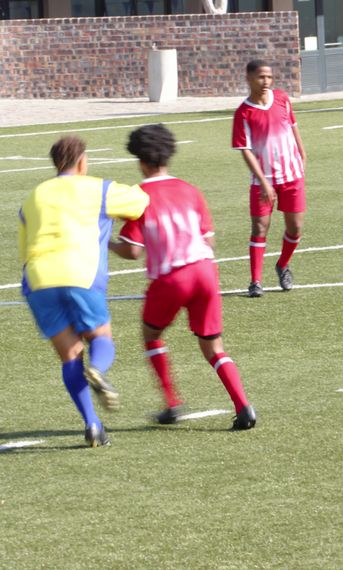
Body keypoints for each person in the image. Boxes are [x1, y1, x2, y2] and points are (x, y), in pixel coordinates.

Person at [111, 124, 257, 430]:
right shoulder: (190, 189)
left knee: (151, 335)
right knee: (214, 348)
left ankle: (172, 403)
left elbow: (132, 251)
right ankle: (243, 406)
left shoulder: (139, 197)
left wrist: (104, 242)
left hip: (171, 277)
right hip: (205, 271)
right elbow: (209, 240)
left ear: (140, 160)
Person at [17, 136, 149, 447]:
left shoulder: (34, 196)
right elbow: (140, 202)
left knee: (69, 355)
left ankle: (92, 425)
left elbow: (24, 248)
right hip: (80, 274)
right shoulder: (97, 187)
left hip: (39, 280)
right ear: (82, 161)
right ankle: (98, 369)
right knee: (101, 337)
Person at [231, 59, 308, 298]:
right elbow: (245, 150)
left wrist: (303, 155)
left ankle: (283, 264)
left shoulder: (283, 99)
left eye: (269, 77)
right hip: (262, 181)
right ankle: (255, 281)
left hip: (292, 177)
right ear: (249, 78)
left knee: (295, 228)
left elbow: (293, 127)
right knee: (260, 228)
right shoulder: (244, 112)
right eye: (260, 77)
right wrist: (263, 181)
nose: (265, 82)